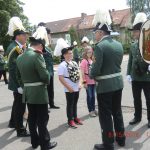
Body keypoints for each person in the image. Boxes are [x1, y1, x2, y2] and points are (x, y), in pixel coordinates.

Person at [16, 26, 57, 150]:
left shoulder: (20, 57)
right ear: (39, 45)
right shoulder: (37, 56)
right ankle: (45, 143)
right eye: (42, 47)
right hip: (39, 92)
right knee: (43, 118)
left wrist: (26, 86)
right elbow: (45, 76)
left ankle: (34, 142)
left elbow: (18, 76)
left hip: (28, 92)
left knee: (32, 118)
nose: (42, 49)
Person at [90, 9, 125, 150]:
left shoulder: (99, 47)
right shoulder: (118, 45)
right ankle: (121, 138)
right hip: (118, 83)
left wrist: (91, 74)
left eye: (96, 33)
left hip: (105, 86)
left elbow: (96, 68)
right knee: (117, 112)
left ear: (101, 33)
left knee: (105, 116)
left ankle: (108, 143)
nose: (95, 35)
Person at [6, 17, 29, 137]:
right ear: (17, 36)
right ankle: (20, 129)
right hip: (18, 83)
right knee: (20, 106)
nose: (26, 37)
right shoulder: (14, 48)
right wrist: (20, 85)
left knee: (17, 104)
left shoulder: (19, 46)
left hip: (18, 82)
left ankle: (12, 122)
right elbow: (14, 69)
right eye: (23, 35)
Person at [127, 12, 150, 127]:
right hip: (135, 77)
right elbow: (130, 61)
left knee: (149, 99)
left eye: (135, 31)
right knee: (136, 99)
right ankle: (137, 116)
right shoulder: (132, 45)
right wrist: (128, 74)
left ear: (140, 32)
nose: (133, 33)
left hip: (147, 77)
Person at [55, 38, 83, 128]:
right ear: (64, 55)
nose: (71, 54)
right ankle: (70, 120)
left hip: (76, 86)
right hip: (69, 88)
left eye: (71, 53)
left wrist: (81, 83)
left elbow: (79, 73)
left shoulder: (74, 62)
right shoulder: (62, 65)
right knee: (70, 104)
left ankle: (75, 118)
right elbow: (60, 78)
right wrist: (68, 87)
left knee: (75, 103)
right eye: (69, 53)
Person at [41, 26, 60, 109]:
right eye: (49, 34)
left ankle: (51, 104)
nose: (50, 36)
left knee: (50, 89)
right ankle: (45, 106)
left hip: (50, 71)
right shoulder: (42, 46)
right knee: (44, 90)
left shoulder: (47, 47)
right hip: (45, 72)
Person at [80, 46, 96, 117]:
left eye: (91, 52)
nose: (90, 53)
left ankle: (93, 109)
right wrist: (84, 82)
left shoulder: (92, 59)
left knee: (93, 96)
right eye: (88, 52)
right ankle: (90, 110)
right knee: (89, 96)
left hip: (93, 81)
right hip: (88, 82)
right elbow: (82, 73)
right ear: (85, 53)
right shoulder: (84, 61)